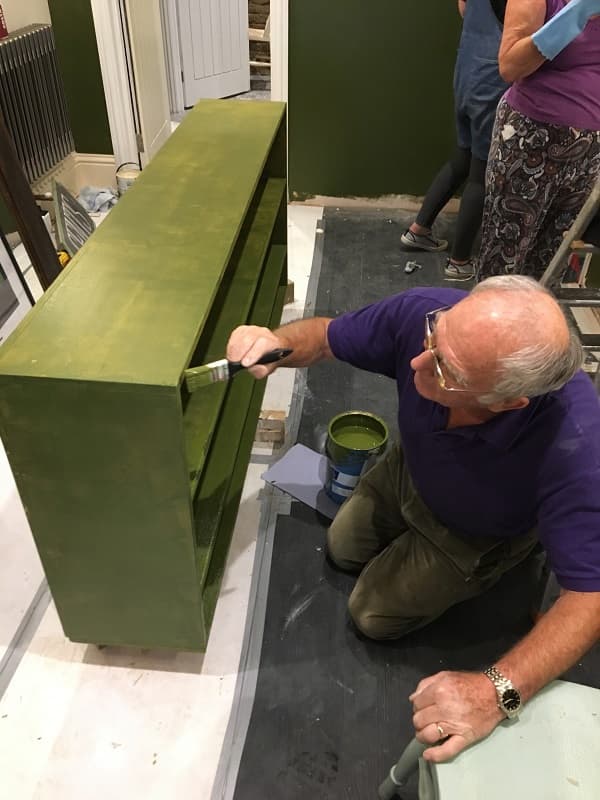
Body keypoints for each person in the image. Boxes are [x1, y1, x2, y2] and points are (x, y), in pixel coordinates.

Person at [226, 276, 600, 762]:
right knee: (342, 546)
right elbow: (323, 336)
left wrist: (495, 693)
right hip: (416, 467)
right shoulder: (430, 316)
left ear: (509, 402)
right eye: (434, 338)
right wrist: (275, 344)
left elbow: (590, 594)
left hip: (476, 530)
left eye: (448, 370)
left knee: (371, 616)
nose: (420, 361)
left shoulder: (577, 447)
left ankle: (512, 555)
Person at [476, 0, 600, 281]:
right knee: (503, 258)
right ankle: (490, 325)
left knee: (552, 261)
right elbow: (510, 66)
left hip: (589, 150)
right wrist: (574, 15)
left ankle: (536, 324)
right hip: (530, 139)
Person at [401, 0, 509, 281]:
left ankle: (418, 230)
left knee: (462, 156)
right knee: (480, 173)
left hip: (468, 68)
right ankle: (459, 261)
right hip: (492, 75)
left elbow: (465, 8)